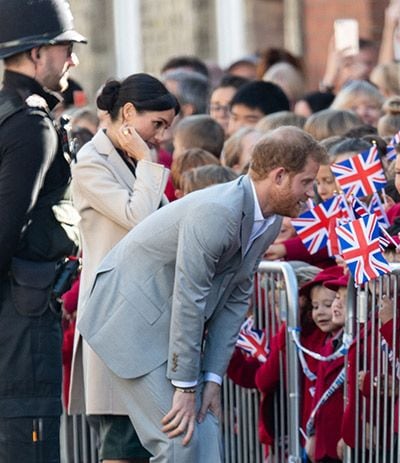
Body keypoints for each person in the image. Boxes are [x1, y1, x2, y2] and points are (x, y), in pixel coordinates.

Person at [77, 126, 327, 462]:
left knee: (205, 437)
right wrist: (184, 386)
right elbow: (189, 297)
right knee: (179, 441)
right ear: (279, 176)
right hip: (130, 320)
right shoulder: (217, 212)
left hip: (168, 323)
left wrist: (211, 378)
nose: (312, 194)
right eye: (307, 182)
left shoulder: (267, 220)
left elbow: (236, 299)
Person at [69, 73, 179, 463]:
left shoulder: (137, 162)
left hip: (147, 320)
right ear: (129, 113)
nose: (161, 137)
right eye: (158, 125)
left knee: (147, 444)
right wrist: (148, 163)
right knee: (121, 445)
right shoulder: (90, 163)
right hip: (114, 320)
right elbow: (141, 220)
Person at [0, 1, 85, 461]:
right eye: (66, 48)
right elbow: (5, 231)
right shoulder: (31, 125)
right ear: (37, 54)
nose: (73, 60)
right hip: (19, 323)